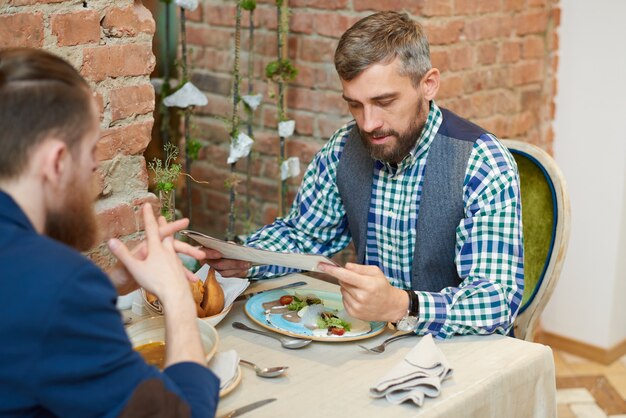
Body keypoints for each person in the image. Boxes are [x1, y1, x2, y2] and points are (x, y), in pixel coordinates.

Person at [204, 11, 524, 339]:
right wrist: (242, 257)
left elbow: (498, 299)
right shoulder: (345, 146)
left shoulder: (483, 162)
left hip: (463, 351)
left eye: (384, 101)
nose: (368, 123)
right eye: (355, 105)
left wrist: (403, 305)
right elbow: (305, 236)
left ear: (428, 85)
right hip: (378, 342)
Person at [0, 48, 219, 417]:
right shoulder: (59, 285)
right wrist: (177, 296)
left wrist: (113, 281)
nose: (95, 164)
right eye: (90, 149)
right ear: (56, 160)